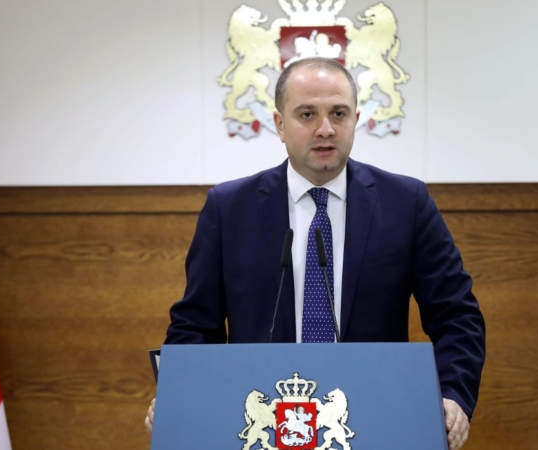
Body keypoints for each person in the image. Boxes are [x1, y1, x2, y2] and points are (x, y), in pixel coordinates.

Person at [145, 57, 485, 450]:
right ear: (280, 124)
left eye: (338, 113)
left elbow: (456, 315)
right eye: (307, 114)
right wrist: (177, 393)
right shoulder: (229, 208)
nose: (325, 129)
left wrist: (452, 394)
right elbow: (195, 325)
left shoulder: (406, 203)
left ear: (355, 119)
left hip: (375, 419)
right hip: (261, 425)